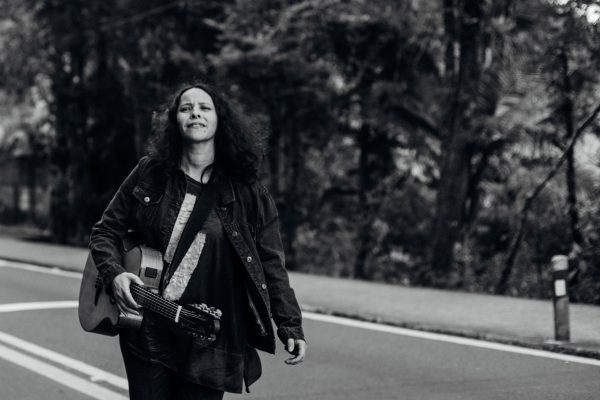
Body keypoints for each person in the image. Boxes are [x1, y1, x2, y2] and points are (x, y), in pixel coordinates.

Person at [89, 81, 307, 399]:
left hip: (209, 337)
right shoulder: (150, 173)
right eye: (186, 108)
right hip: (148, 328)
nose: (195, 113)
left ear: (220, 121)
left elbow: (271, 263)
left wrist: (290, 325)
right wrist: (115, 273)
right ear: (175, 121)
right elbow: (105, 231)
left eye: (205, 108)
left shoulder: (247, 192)